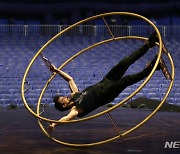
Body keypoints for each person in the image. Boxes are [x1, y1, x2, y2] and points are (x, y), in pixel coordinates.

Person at [48, 32, 161, 130]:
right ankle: (152, 68)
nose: (65, 97)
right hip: (106, 93)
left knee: (124, 63)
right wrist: (54, 124)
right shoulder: (76, 110)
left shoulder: (75, 94)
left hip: (105, 81)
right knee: (127, 80)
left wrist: (57, 70)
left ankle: (148, 44)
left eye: (63, 97)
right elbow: (67, 118)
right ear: (63, 106)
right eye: (63, 99)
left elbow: (69, 79)